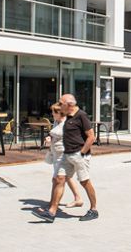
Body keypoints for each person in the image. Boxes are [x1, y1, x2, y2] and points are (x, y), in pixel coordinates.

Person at [32, 94, 98, 222]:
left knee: (84, 181)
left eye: (61, 103)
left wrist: (82, 152)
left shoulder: (81, 115)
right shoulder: (66, 116)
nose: (59, 105)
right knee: (59, 179)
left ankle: (94, 209)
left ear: (69, 105)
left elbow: (91, 136)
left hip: (79, 155)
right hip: (66, 154)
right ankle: (51, 212)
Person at [38, 103, 83, 215]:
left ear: (60, 113)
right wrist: (50, 138)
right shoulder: (56, 121)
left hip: (64, 155)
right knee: (64, 178)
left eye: (54, 112)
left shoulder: (67, 123)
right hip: (57, 154)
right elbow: (54, 134)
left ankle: (52, 207)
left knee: (57, 180)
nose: (52, 114)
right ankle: (77, 199)